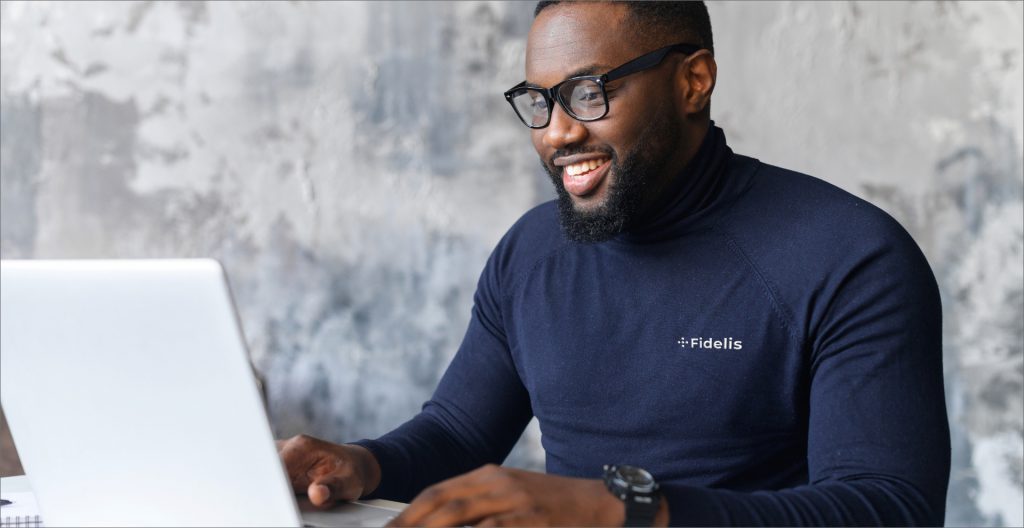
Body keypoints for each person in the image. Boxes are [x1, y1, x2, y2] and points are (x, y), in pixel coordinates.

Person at [276, 2, 951, 525]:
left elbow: (888, 507)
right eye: (540, 102)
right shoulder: (529, 254)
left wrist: (627, 510)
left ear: (694, 80)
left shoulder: (849, 255)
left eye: (590, 93)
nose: (558, 132)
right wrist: (360, 464)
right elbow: (455, 434)